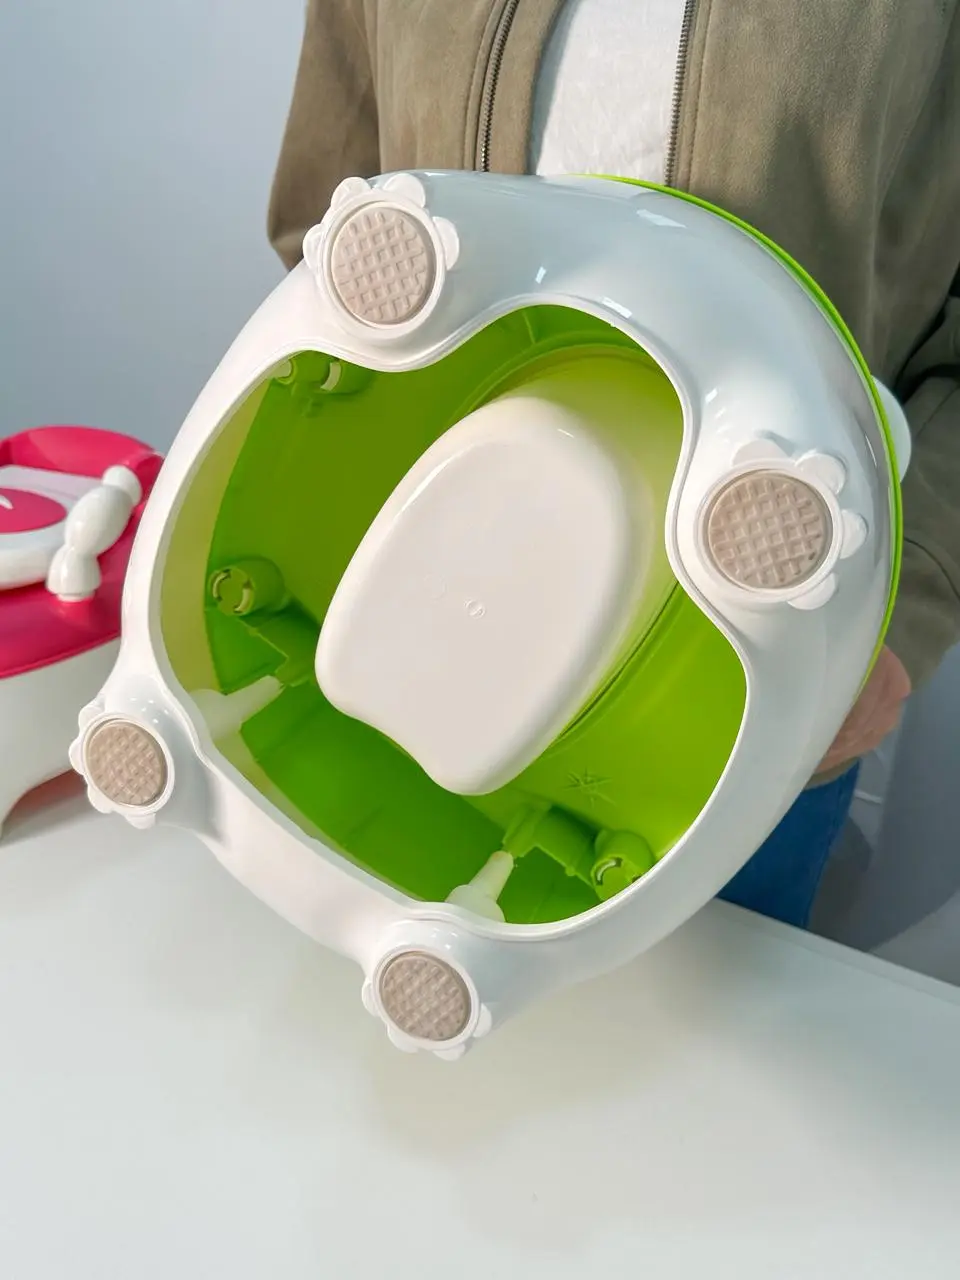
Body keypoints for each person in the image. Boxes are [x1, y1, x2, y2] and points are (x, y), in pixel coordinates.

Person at [267, 0, 960, 929]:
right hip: (405, 607)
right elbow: (326, 231)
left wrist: (908, 605)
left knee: (690, 1018)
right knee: (356, 979)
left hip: (743, 675)